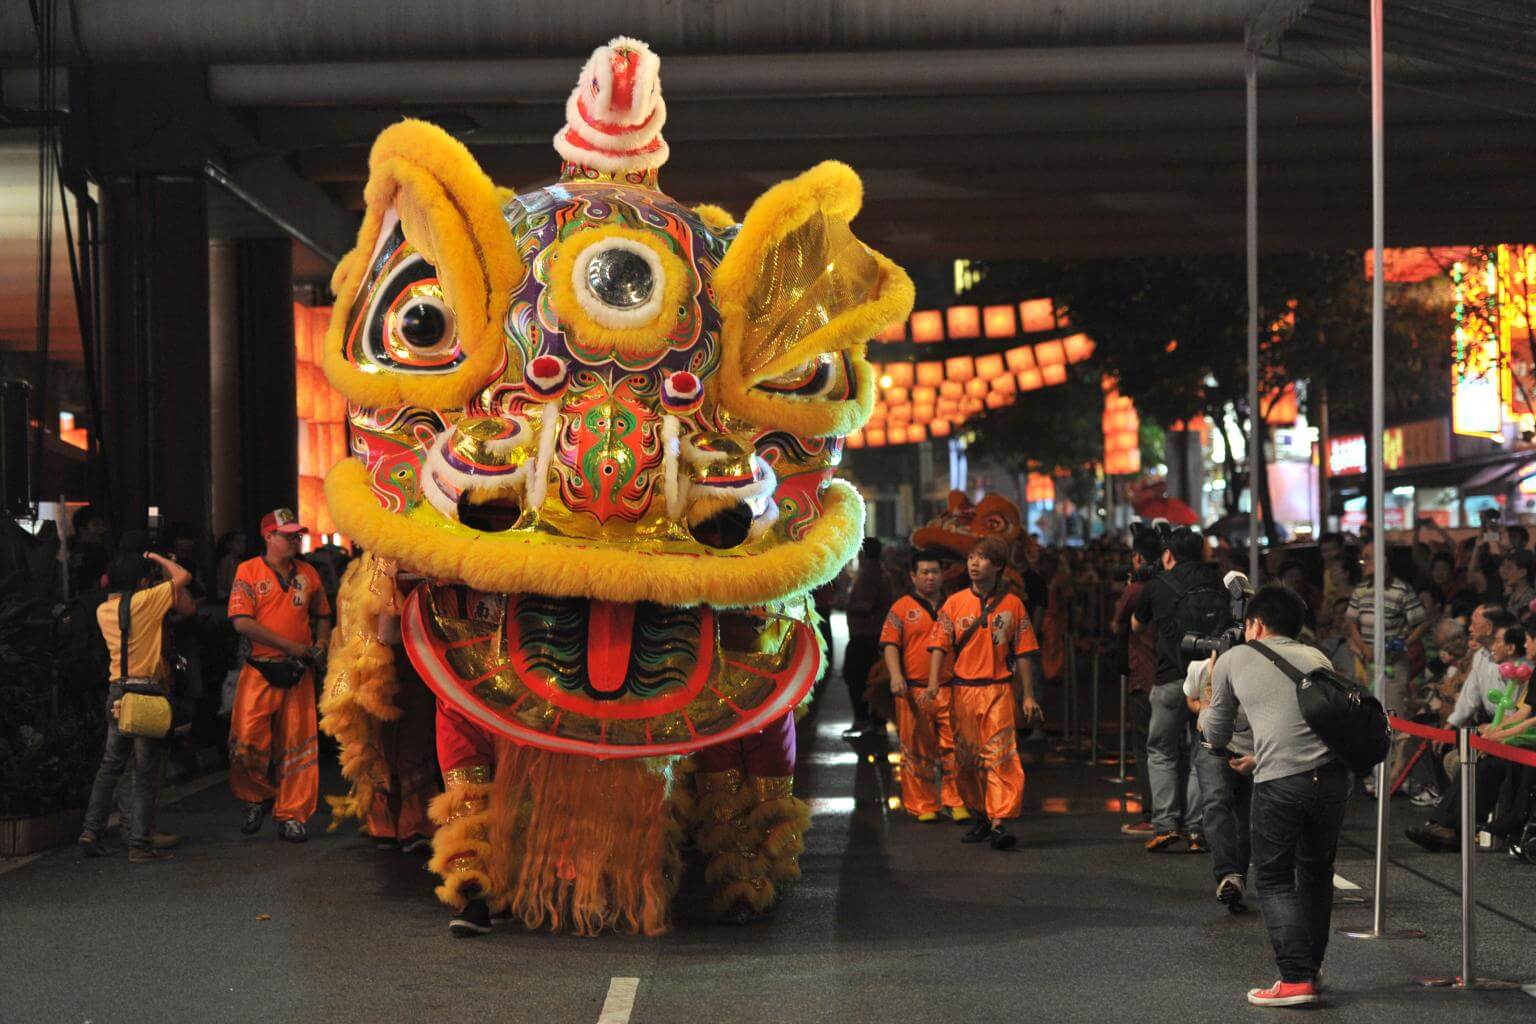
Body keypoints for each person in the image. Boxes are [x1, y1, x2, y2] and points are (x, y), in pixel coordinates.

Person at [1202, 585, 1351, 1008]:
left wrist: (1212, 683)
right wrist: (1260, 756)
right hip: (1331, 779)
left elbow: (1216, 734)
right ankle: (1311, 970)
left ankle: (1295, 978)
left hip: (1282, 783)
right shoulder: (1317, 657)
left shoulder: (1233, 659)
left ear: (1255, 624)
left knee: (1273, 879)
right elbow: (1306, 722)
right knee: (1316, 874)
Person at [926, 536, 1042, 851]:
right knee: (967, 760)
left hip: (999, 691)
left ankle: (999, 822)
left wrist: (1028, 695)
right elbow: (938, 645)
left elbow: (1024, 652)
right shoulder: (954, 603)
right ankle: (980, 814)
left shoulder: (1014, 605)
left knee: (1002, 757)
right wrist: (934, 683)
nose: (974, 563)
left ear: (999, 565)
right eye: (971, 558)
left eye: (982, 558)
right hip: (962, 692)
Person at [78, 550, 195, 863]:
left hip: (117, 692)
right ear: (143, 581)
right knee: (144, 773)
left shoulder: (103, 610)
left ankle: (91, 830)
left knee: (109, 766)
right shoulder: (147, 600)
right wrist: (158, 557)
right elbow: (183, 576)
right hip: (146, 693)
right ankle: (139, 845)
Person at [226, 508, 333, 842]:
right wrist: (291, 645)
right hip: (260, 668)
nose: (295, 540)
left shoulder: (309, 573)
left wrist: (321, 644)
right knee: (245, 743)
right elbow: (242, 622)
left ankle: (292, 815)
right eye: (287, 535)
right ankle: (258, 796)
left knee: (299, 746)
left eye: (297, 535)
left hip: (299, 672)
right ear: (268, 536)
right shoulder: (248, 570)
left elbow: (323, 614)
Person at [1131, 526, 1220, 852]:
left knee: (1161, 750)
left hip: (1170, 677)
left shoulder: (1157, 584)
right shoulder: (1217, 582)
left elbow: (1136, 624)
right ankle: (1198, 829)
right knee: (1202, 751)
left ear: (1168, 554)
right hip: (1209, 679)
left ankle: (1166, 825)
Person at [1405, 620, 1527, 853]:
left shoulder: (1526, 673)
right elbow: (1473, 700)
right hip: (1501, 735)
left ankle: (1455, 829)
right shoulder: (1490, 662)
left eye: (1499, 642)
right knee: (1472, 762)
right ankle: (1446, 827)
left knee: (1486, 766)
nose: (1494, 647)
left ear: (1511, 647)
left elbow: (1524, 717)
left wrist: (1496, 735)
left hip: (1520, 744)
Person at [881, 550, 965, 823]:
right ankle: (923, 803)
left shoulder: (954, 605)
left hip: (950, 688)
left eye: (935, 572)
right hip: (913, 691)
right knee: (916, 749)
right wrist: (896, 676)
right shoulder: (901, 608)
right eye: (925, 572)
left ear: (943, 575)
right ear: (913, 576)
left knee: (954, 747)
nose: (930, 577)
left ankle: (956, 800)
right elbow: (890, 644)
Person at [1345, 543, 1428, 794]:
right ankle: (1377, 772)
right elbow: (1351, 621)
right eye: (1362, 558)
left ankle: (1397, 774)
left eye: (1368, 558)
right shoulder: (1361, 590)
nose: (1364, 562)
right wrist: (1363, 646)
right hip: (1368, 664)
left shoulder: (1401, 589)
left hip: (1393, 663)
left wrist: (1402, 644)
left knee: (1395, 716)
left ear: (1383, 560)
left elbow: (1421, 622)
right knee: (1372, 718)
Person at [1111, 528, 1162, 837]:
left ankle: (1152, 813)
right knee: (1172, 750)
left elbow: (1116, 624)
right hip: (1172, 676)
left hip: (1144, 676)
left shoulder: (1137, 591)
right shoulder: (1170, 586)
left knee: (1145, 747)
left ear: (1139, 557)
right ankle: (1175, 812)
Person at [842, 537, 893, 739]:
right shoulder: (881, 572)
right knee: (873, 678)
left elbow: (866, 605)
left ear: (862, 553)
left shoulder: (869, 575)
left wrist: (843, 605)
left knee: (856, 676)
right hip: (874, 635)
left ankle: (865, 720)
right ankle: (876, 721)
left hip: (866, 635)